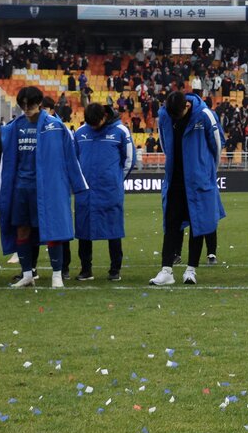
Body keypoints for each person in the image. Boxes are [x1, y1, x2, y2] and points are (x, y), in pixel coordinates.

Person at [0, 85, 88, 288]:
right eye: (23, 106)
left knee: (52, 228)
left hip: (48, 188)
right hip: (21, 188)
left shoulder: (55, 127)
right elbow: (7, 162)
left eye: (30, 105)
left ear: (40, 104)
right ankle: (27, 274)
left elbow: (70, 157)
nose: (26, 109)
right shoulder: (13, 128)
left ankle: (56, 274)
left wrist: (78, 184)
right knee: (22, 229)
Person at [150, 89, 225, 286]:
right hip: (175, 180)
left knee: (197, 224)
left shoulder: (205, 115)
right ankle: (166, 270)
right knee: (171, 224)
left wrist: (208, 172)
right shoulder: (165, 115)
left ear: (188, 106)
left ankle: (191, 270)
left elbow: (217, 145)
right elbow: (165, 143)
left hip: (199, 180)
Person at [73, 103, 133, 281]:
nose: (93, 127)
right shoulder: (80, 133)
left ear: (105, 116)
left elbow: (129, 160)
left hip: (110, 191)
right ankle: (86, 269)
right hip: (86, 192)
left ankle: (115, 270)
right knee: (83, 231)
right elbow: (74, 160)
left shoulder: (121, 131)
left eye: (96, 123)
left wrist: (116, 180)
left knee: (113, 230)